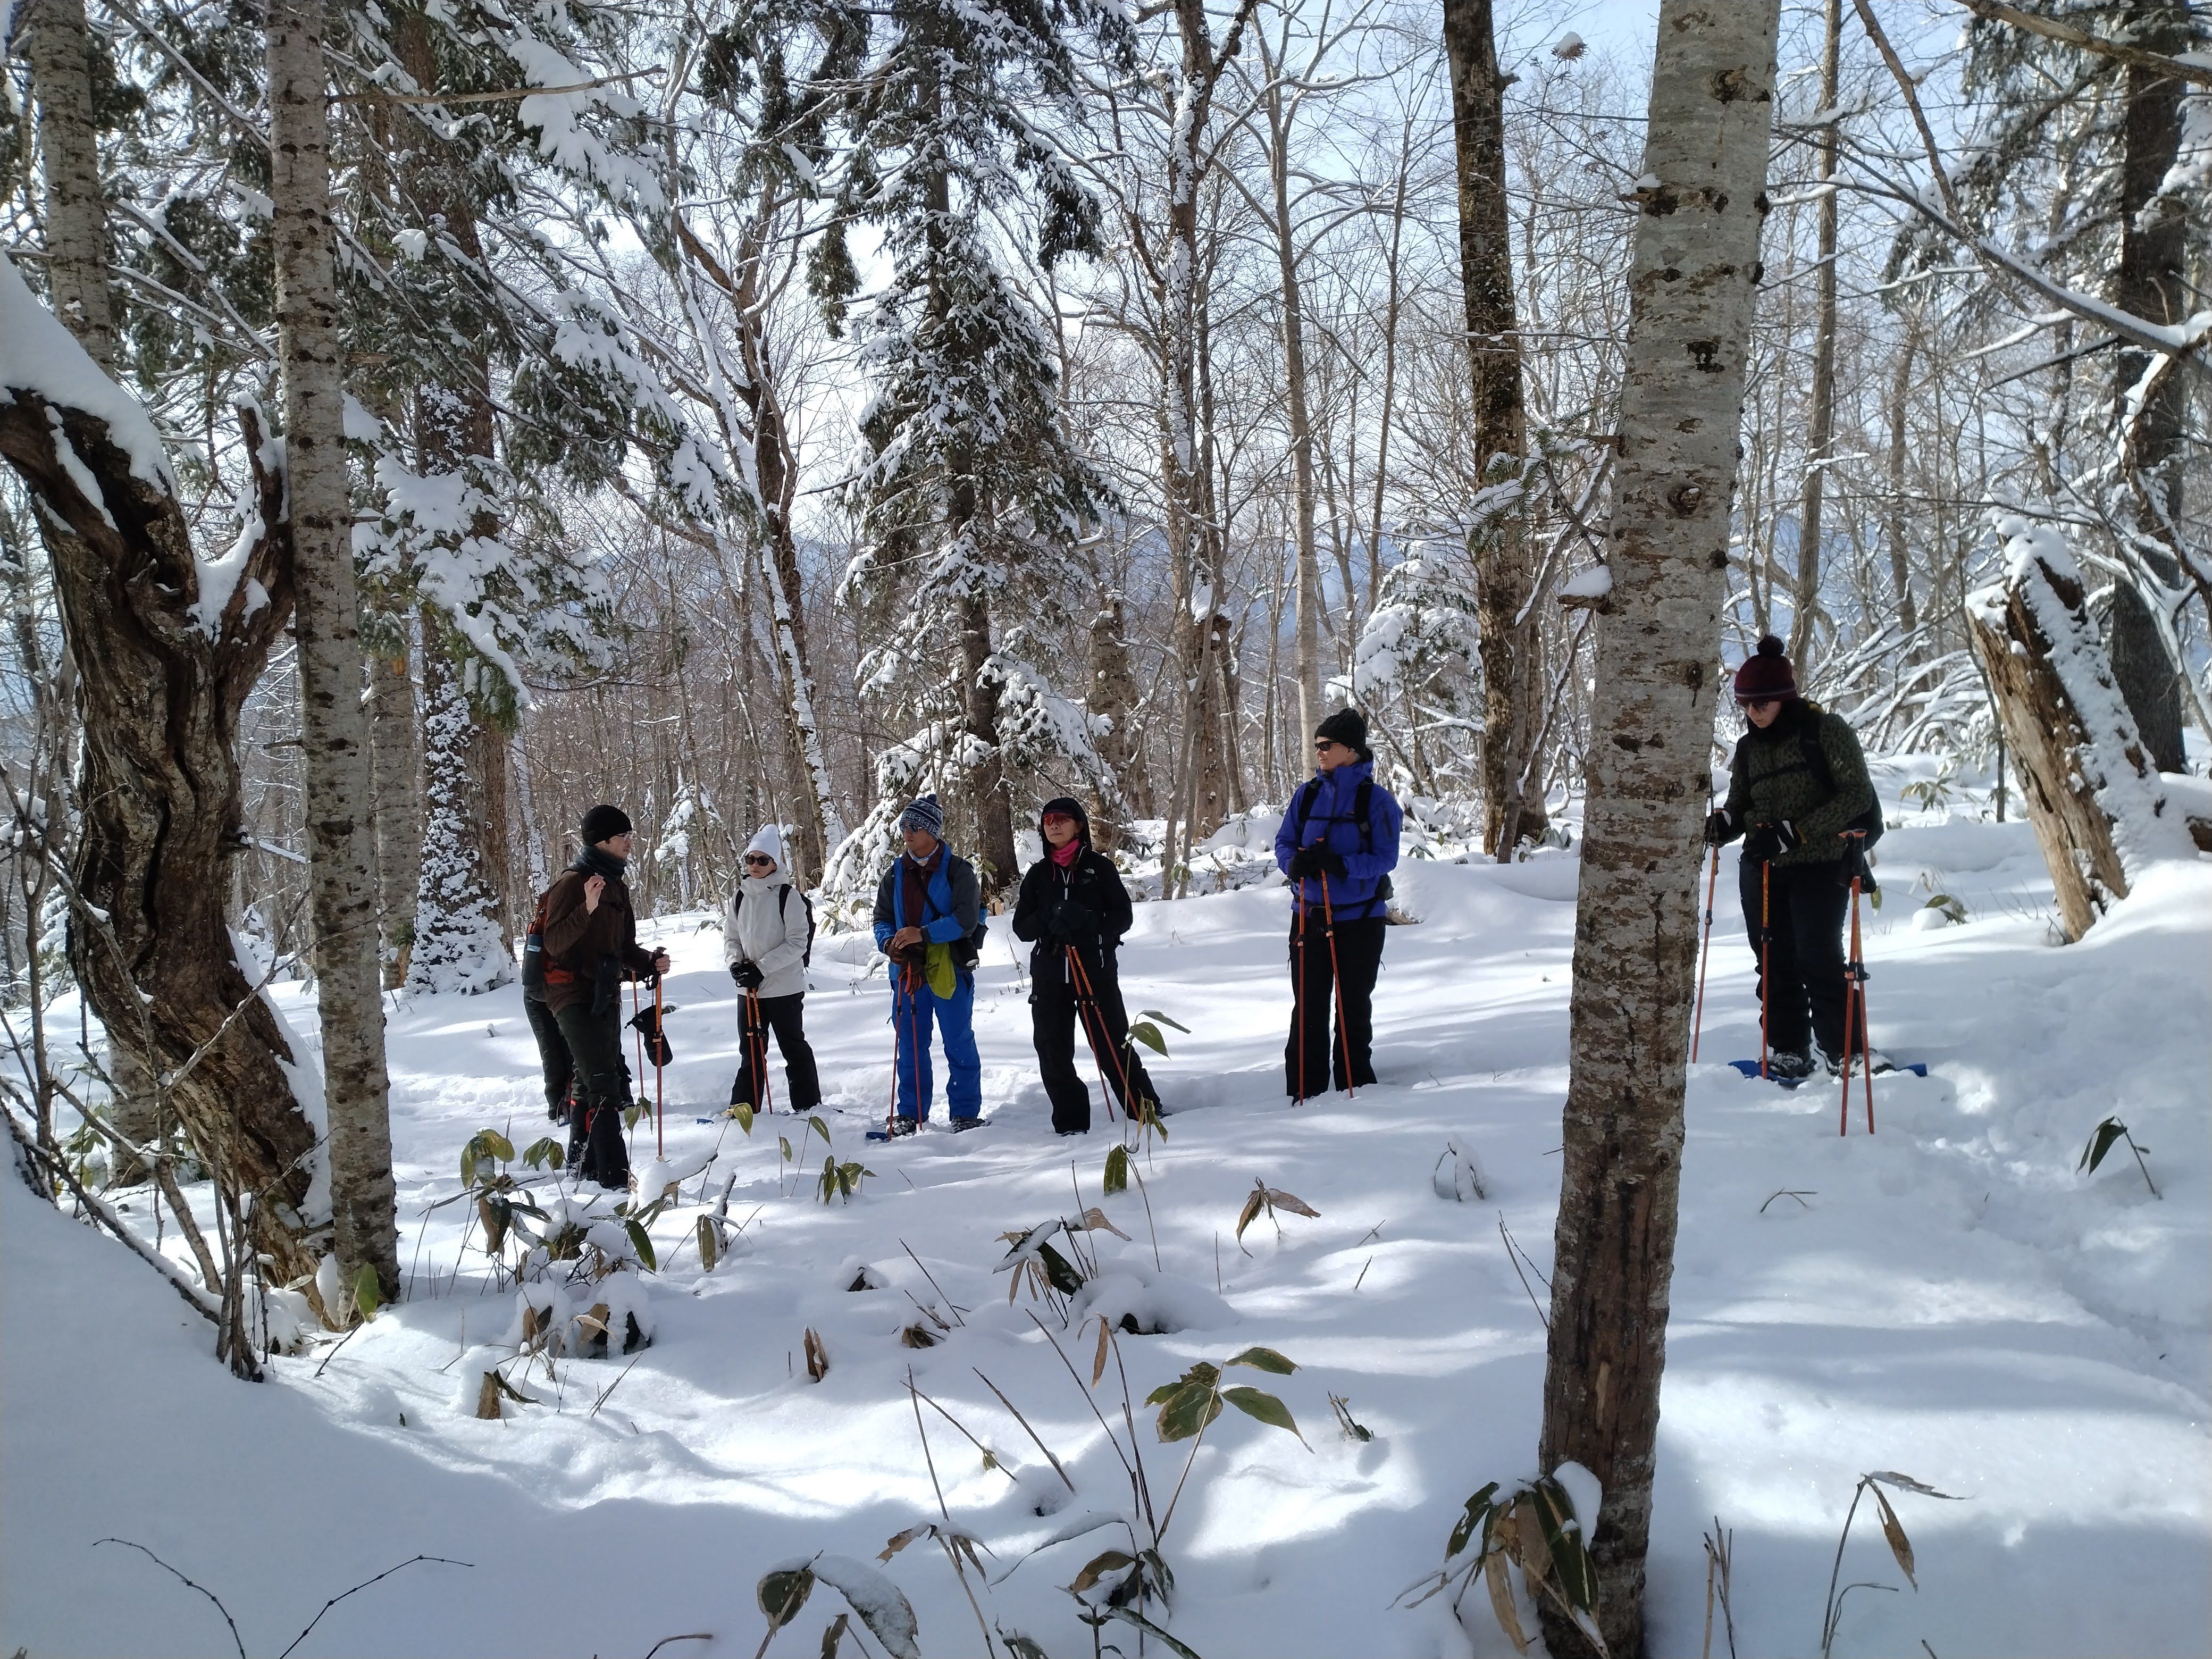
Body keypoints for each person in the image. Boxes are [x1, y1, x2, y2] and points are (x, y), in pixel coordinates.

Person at [1705, 635, 1887, 1078]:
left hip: (1821, 862)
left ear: (1784, 698)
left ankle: (1847, 1051)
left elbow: (1857, 795)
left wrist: (1796, 832)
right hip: (1762, 866)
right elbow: (1741, 804)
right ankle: (1788, 1049)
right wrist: (1725, 824)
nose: (1753, 712)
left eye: (1762, 704)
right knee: (1772, 960)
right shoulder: (1748, 748)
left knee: (1818, 955)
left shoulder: (1826, 732)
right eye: (1746, 705)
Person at [538, 805, 670, 1188]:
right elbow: (555, 942)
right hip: (570, 994)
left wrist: (650, 962)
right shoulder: (572, 883)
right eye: (623, 836)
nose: (630, 842)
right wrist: (587, 908)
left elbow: (623, 947)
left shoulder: (617, 885)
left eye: (630, 835)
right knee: (603, 1083)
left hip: (605, 992)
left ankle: (582, 1170)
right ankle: (614, 1179)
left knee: (588, 1082)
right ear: (603, 841)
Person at [1274, 708, 1403, 1100]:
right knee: (1308, 1009)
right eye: (1317, 745)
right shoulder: (1308, 794)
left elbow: (1386, 858)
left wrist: (1341, 865)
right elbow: (1284, 842)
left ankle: (1355, 1090)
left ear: (1351, 750)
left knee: (1352, 1008)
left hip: (1360, 921)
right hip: (1309, 918)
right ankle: (1304, 1095)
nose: (1320, 752)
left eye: (1327, 745)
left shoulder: (1376, 801)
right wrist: (1294, 864)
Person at [1011, 798, 1159, 1135]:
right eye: (1048, 820)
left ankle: (1144, 1111)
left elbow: (1123, 917)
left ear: (1078, 825)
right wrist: (1049, 917)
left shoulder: (1099, 868)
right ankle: (1071, 1125)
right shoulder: (1038, 875)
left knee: (1111, 1046)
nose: (1054, 825)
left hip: (1095, 972)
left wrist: (1087, 920)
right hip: (1050, 976)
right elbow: (1022, 928)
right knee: (1052, 1052)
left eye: (1062, 819)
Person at [872, 795, 984, 1134]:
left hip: (950, 969)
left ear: (933, 832)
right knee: (910, 1044)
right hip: (906, 971)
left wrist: (922, 934)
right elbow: (881, 919)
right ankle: (911, 1112)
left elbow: (966, 920)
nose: (907, 833)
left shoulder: (959, 871)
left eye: (915, 827)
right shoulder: (895, 873)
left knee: (958, 1041)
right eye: (904, 826)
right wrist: (889, 944)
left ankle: (965, 1113)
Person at [721, 825, 822, 1115]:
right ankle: (744, 1109)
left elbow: (798, 943)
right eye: (751, 859)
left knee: (793, 1047)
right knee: (750, 1050)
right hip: (749, 989)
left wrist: (762, 969)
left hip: (783, 988)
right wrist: (735, 964)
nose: (755, 865)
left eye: (763, 860)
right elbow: (731, 938)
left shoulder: (788, 896)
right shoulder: (739, 897)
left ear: (775, 863)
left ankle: (808, 1108)